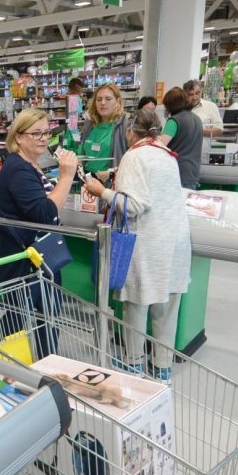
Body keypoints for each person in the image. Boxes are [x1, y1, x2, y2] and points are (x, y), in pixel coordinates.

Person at [83, 109, 190, 384]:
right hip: (174, 241)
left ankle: (133, 367)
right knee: (165, 309)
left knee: (136, 306)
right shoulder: (167, 155)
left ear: (131, 132)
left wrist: (101, 192)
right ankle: (162, 369)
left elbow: (133, 205)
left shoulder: (134, 155)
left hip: (146, 244)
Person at [0, 108, 78, 357]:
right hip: (24, 260)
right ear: (18, 137)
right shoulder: (18, 169)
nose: (42, 138)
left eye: (46, 132)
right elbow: (45, 213)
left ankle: (47, 361)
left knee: (45, 313)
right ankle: (4, 364)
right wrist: (67, 176)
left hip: (40, 257)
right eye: (35, 133)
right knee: (19, 315)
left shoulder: (30, 165)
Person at [67, 83, 128, 178]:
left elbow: (132, 158)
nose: (103, 103)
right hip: (87, 179)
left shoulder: (123, 125)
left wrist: (112, 173)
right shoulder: (90, 123)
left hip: (110, 182)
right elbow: (82, 151)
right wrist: (79, 164)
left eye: (108, 99)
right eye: (99, 99)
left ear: (117, 101)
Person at [159, 87, 203, 189]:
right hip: (193, 173)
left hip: (178, 173)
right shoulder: (197, 119)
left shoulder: (174, 121)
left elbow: (160, 146)